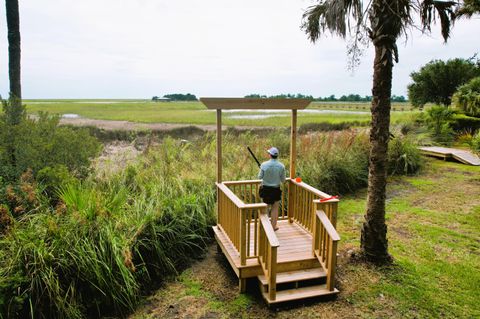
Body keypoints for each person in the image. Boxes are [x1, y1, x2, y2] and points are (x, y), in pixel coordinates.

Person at [258, 146, 286, 231]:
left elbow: (259, 177)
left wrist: (262, 170)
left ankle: (265, 227)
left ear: (270, 155)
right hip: (276, 189)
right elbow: (283, 180)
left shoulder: (264, 164)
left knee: (265, 208)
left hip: (265, 189)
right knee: (275, 208)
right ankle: (273, 227)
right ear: (277, 156)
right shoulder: (281, 166)